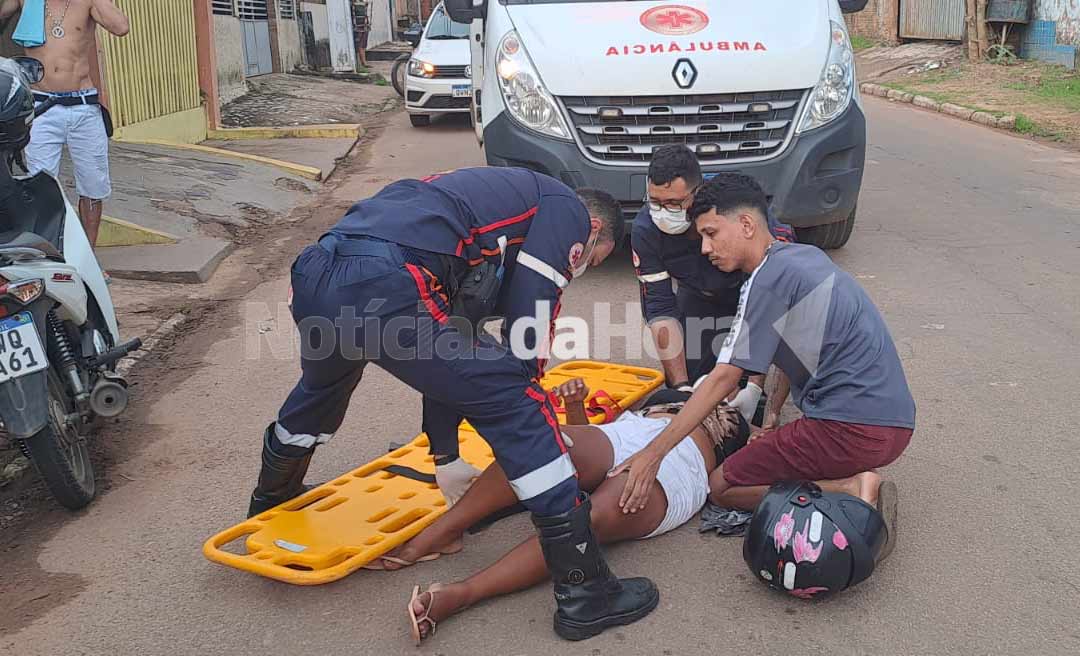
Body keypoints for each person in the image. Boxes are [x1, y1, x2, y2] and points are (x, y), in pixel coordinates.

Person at [249, 166, 659, 640]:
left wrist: (446, 455)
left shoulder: (482, 206)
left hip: (317, 274)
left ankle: (270, 501)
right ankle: (585, 591)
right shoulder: (566, 208)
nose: (577, 268)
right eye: (587, 259)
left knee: (320, 393)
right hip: (386, 278)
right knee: (518, 396)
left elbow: (454, 343)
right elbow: (532, 313)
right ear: (590, 232)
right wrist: (525, 408)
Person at [612, 173, 915, 562]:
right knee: (766, 451)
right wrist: (771, 418)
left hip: (850, 428)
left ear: (746, 225)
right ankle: (846, 477)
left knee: (721, 486)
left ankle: (850, 489)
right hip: (893, 424)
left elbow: (724, 377)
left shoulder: (765, 279)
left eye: (710, 233)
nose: (705, 248)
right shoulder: (802, 258)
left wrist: (652, 455)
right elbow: (795, 352)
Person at [364, 378, 748, 645]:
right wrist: (576, 406)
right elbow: (580, 474)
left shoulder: (745, 422)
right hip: (629, 435)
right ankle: (441, 533)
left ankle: (461, 594)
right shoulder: (680, 388)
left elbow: (738, 476)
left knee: (589, 521)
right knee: (543, 446)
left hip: (685, 464)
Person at [632, 145, 795, 425]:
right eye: (655, 202)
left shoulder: (732, 204)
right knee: (699, 388)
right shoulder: (647, 230)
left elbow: (774, 296)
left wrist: (755, 385)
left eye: (674, 204)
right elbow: (660, 310)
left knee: (748, 398)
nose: (663, 213)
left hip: (751, 289)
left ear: (697, 193)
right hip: (699, 295)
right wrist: (680, 389)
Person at [0, 0, 130, 249]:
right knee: (38, 183)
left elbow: (121, 27)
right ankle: (47, 254)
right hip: (41, 107)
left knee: (93, 186)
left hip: (84, 107)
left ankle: (88, 257)